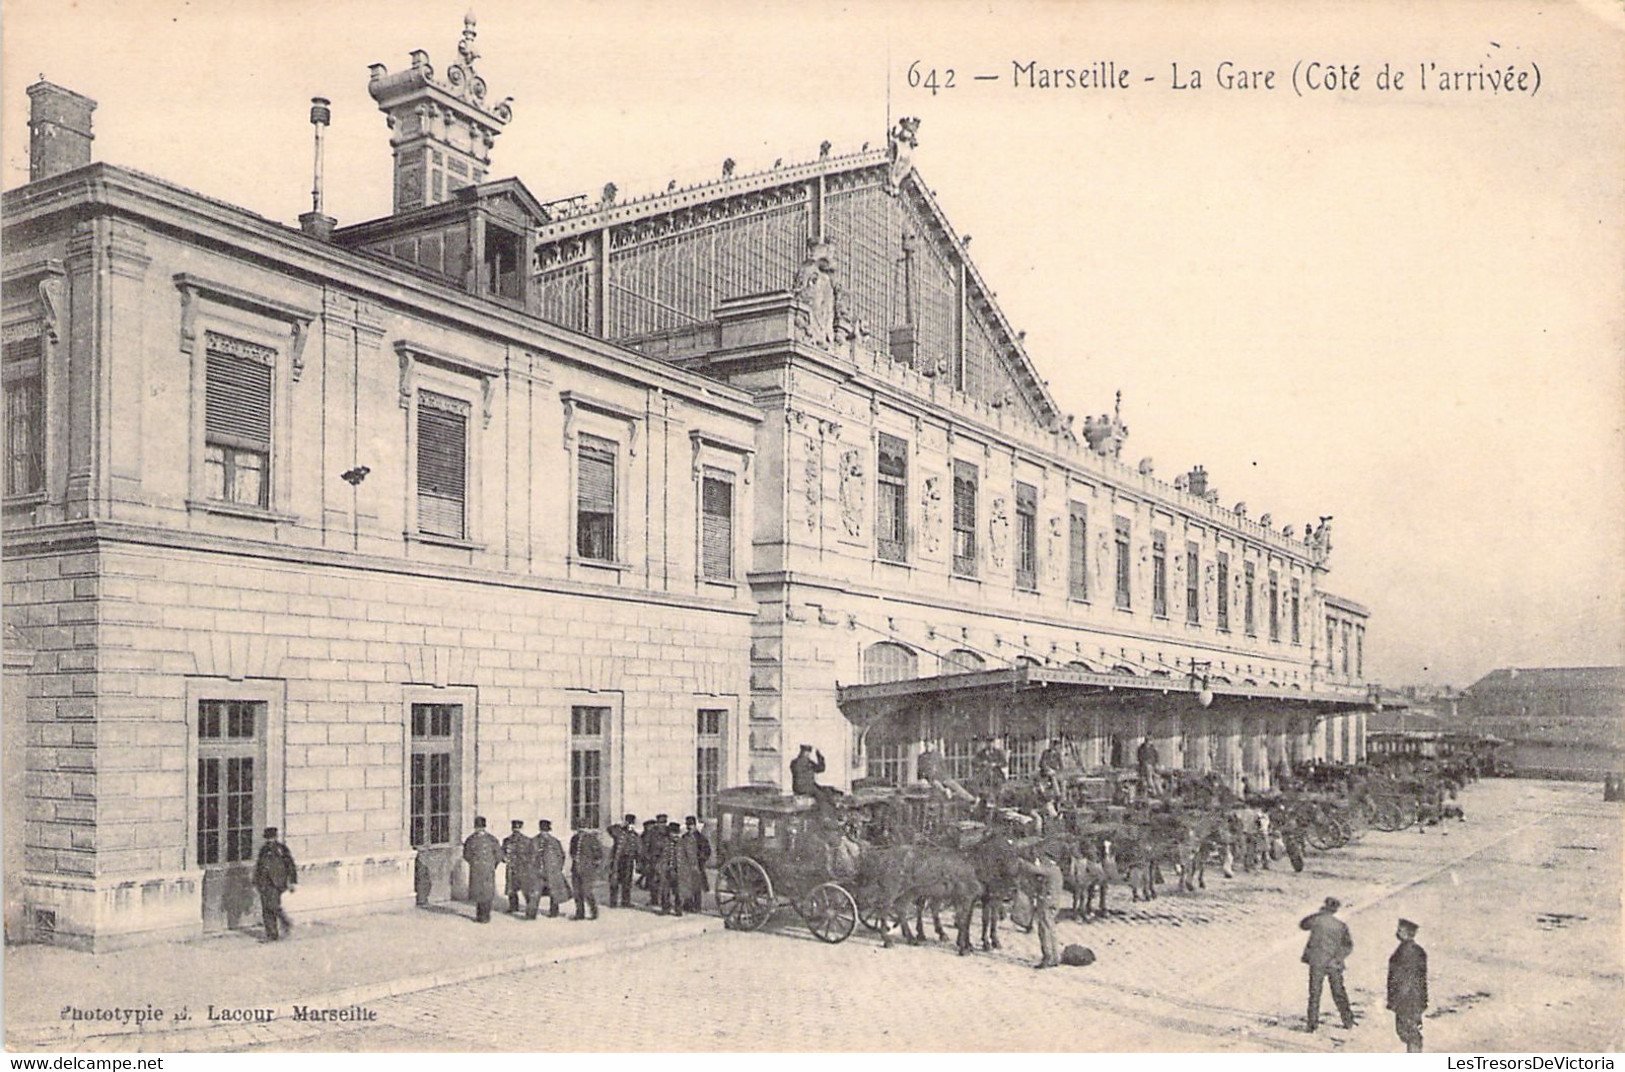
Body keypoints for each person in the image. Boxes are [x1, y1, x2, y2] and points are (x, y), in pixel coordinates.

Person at [1300, 896, 1357, 1031]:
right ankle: (1348, 1020)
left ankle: (1312, 1024)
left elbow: (1303, 925)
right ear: (1336, 910)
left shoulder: (1316, 920)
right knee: (1338, 992)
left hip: (1317, 962)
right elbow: (1348, 946)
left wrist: (1318, 913)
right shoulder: (1341, 926)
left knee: (1314, 994)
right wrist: (1338, 958)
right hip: (1334, 964)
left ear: (1325, 907)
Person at [1018, 845, 1065, 969]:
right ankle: (1055, 957)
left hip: (1046, 902)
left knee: (1044, 929)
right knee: (1051, 928)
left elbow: (1033, 870)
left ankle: (1047, 957)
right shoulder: (1056, 870)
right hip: (1053, 902)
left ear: (1049, 858)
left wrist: (1021, 861)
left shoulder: (1050, 869)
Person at [1387, 918, 1429, 1052]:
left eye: (1400, 930)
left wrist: (1397, 1001)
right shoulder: (1417, 950)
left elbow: (1406, 979)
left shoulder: (1405, 952)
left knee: (1408, 1032)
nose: (1397, 932)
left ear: (1407, 933)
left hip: (1407, 999)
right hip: (1414, 998)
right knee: (1407, 1032)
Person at [253, 827, 298, 941]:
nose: (270, 841)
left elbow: (290, 865)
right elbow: (259, 866)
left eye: (272, 838)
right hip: (264, 882)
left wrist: (292, 881)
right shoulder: (263, 849)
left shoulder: (281, 849)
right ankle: (271, 934)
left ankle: (285, 921)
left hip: (277, 882)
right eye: (268, 838)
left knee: (272, 906)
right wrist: (256, 880)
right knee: (266, 909)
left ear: (276, 837)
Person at [461, 816, 503, 923]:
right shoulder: (477, 839)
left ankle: (483, 915)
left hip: (482, 869)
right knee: (482, 893)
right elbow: (466, 855)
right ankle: (483, 915)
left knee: (483, 893)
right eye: (479, 827)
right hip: (482, 869)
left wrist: (490, 865)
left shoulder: (484, 840)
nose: (479, 829)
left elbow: (498, 855)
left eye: (480, 827)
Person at [534, 819, 571, 918]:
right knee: (535, 892)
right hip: (538, 871)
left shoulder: (554, 841)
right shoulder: (534, 841)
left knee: (554, 892)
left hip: (552, 871)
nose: (544, 833)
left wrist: (557, 868)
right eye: (542, 831)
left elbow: (561, 855)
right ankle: (531, 913)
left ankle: (554, 911)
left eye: (546, 831)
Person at [570, 821, 605, 921]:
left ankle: (594, 912)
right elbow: (572, 851)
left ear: (586, 828)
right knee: (577, 892)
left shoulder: (592, 839)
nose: (581, 830)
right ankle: (579, 913)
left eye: (583, 828)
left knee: (587, 891)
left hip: (588, 870)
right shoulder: (575, 838)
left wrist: (593, 867)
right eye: (579, 828)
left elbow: (598, 855)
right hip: (576, 869)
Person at [608, 814, 641, 908]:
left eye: (631, 823)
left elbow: (638, 848)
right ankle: (613, 902)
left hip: (629, 860)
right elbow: (610, 829)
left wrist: (638, 861)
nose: (630, 825)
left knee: (627, 881)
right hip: (617, 859)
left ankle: (625, 901)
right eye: (628, 822)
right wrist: (621, 825)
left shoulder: (634, 835)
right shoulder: (619, 831)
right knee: (614, 880)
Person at [670, 820, 702, 916]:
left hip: (684, 869)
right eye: (672, 834)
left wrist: (695, 865)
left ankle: (681, 908)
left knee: (683, 889)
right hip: (674, 869)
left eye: (676, 834)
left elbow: (691, 855)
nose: (674, 836)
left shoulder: (685, 841)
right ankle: (678, 906)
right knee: (676, 889)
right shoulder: (673, 842)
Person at [501, 820, 531, 914]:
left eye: (517, 828)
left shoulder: (527, 840)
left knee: (524, 888)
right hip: (515, 868)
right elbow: (502, 853)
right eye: (515, 828)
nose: (516, 831)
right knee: (512, 889)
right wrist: (504, 858)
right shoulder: (508, 840)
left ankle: (528, 908)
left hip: (521, 868)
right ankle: (514, 907)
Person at [683, 816, 711, 912]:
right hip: (686, 866)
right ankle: (688, 905)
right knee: (687, 886)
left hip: (697, 866)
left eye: (691, 825)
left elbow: (707, 851)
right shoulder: (684, 837)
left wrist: (701, 859)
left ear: (695, 825)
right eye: (688, 825)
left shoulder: (701, 838)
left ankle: (697, 906)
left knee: (696, 887)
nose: (689, 827)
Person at [973, 736, 1008, 801]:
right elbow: (974, 762)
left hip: (996, 772)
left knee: (999, 782)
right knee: (979, 781)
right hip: (984, 772)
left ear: (994, 743)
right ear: (986, 743)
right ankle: (981, 796)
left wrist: (996, 764)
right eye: (988, 742)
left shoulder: (998, 752)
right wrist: (983, 763)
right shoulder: (981, 753)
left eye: (991, 742)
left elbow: (1004, 763)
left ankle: (998, 795)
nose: (990, 744)